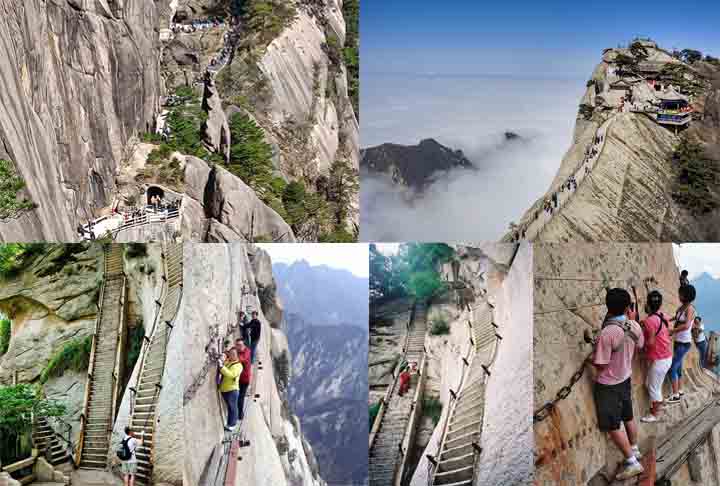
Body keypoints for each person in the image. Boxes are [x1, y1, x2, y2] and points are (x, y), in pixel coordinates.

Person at [592, 288, 644, 480]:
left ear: (608, 307)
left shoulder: (608, 333)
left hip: (608, 384)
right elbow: (639, 345)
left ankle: (632, 462)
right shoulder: (635, 326)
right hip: (625, 377)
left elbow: (600, 364)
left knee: (613, 425)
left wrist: (592, 356)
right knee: (627, 415)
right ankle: (635, 449)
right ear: (627, 306)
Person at [639, 290, 672, 423]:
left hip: (660, 360)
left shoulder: (650, 320)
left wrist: (641, 345)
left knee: (653, 387)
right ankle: (659, 404)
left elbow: (651, 342)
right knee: (650, 384)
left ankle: (654, 414)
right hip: (667, 356)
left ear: (647, 303)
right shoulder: (662, 315)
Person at [667, 284, 696, 403]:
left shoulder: (690, 309)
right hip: (678, 341)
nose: (679, 295)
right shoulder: (682, 307)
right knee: (678, 367)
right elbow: (677, 318)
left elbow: (687, 325)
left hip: (684, 343)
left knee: (672, 368)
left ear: (686, 295)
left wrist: (672, 330)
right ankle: (680, 390)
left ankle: (675, 395)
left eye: (680, 293)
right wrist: (667, 320)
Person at [218, 348, 243, 431]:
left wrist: (221, 366)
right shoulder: (229, 362)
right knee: (230, 407)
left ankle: (232, 425)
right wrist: (223, 356)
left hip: (232, 390)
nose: (231, 355)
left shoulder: (238, 366)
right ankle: (230, 424)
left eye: (233, 354)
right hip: (226, 389)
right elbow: (224, 361)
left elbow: (231, 374)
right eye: (231, 354)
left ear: (237, 355)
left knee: (232, 407)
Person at [235, 338, 252, 421]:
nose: (238, 347)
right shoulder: (237, 350)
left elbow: (242, 358)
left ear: (244, 345)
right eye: (237, 345)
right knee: (236, 395)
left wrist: (232, 356)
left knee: (240, 397)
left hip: (244, 380)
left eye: (240, 345)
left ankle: (240, 414)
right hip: (238, 377)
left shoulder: (247, 352)